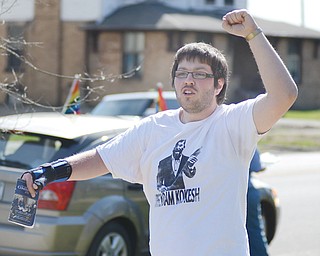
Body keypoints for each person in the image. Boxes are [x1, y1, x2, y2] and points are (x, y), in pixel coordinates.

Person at [22, 9, 297, 256]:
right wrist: (49, 172)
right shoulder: (153, 129)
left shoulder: (233, 123)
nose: (189, 79)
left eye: (200, 74)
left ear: (218, 85)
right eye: (182, 72)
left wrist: (253, 34)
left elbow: (284, 95)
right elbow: (101, 159)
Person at [247, 149, 269, 256]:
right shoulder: (245, 138)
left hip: (244, 193)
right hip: (248, 192)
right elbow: (257, 166)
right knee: (255, 232)